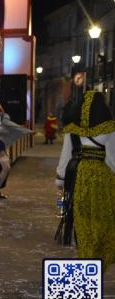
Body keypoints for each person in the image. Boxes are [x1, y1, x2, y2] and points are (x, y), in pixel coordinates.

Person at [55, 91, 115, 270]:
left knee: (82, 217)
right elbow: (112, 159)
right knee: (103, 217)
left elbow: (65, 158)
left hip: (78, 176)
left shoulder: (71, 130)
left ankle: (86, 254)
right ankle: (99, 257)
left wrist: (60, 180)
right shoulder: (109, 129)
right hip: (103, 178)